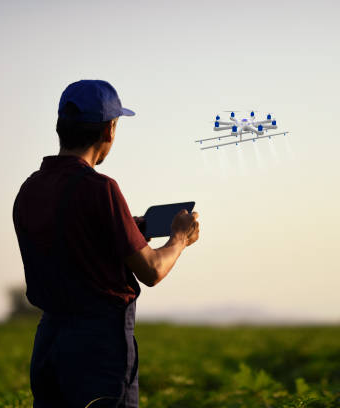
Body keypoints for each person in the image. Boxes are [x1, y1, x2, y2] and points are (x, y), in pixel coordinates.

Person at [12, 79, 200, 408]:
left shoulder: (30, 189)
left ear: (61, 127)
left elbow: (72, 241)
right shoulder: (101, 189)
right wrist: (180, 238)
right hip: (99, 347)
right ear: (109, 131)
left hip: (48, 341)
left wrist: (130, 226)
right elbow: (152, 270)